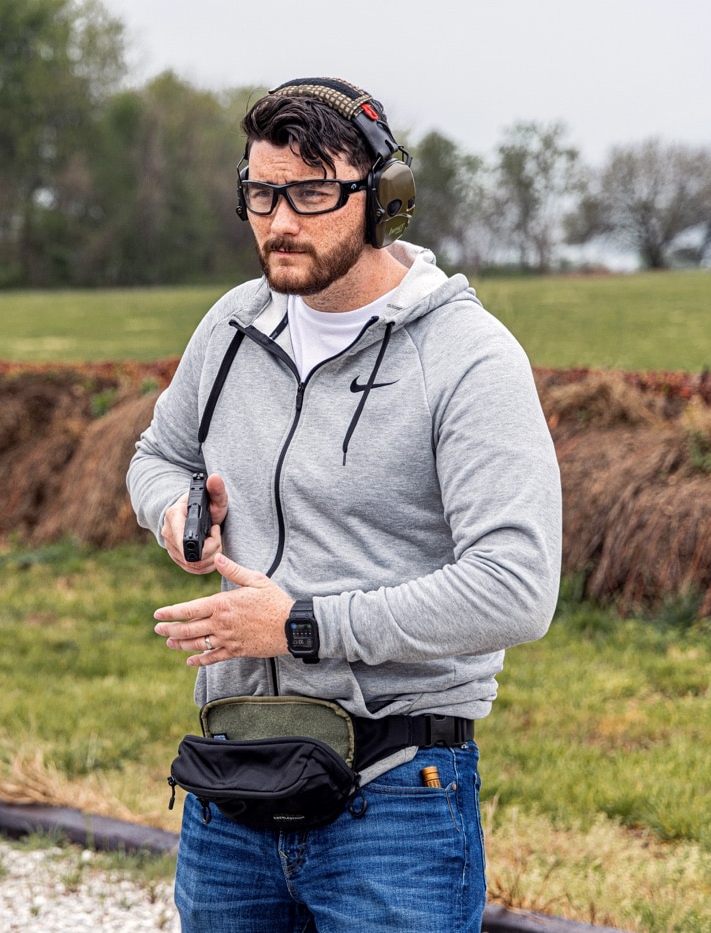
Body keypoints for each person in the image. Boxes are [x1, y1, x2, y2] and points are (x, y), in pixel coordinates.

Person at [126, 77, 562, 933]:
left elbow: (516, 586)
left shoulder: (469, 358)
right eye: (261, 192)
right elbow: (159, 455)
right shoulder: (230, 327)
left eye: (312, 192)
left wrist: (301, 625)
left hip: (393, 798)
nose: (280, 220)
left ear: (382, 199)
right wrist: (179, 515)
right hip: (231, 783)